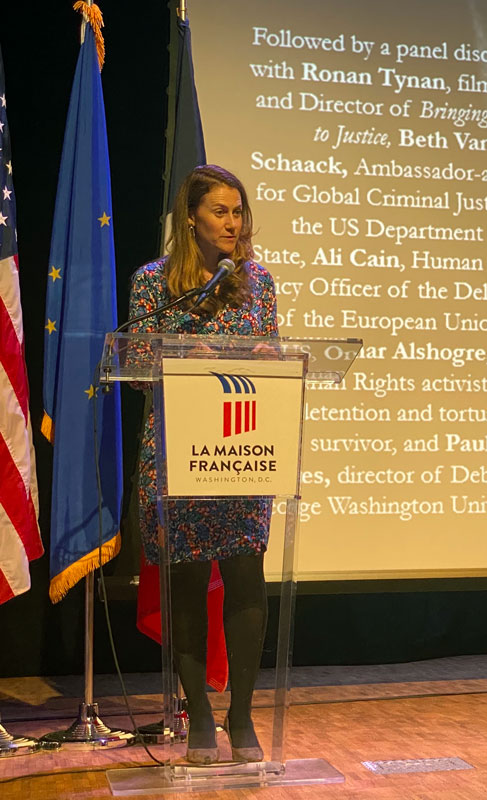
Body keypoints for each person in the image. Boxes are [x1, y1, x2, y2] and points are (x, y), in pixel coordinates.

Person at [128, 164, 278, 764]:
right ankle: (199, 719)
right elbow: (137, 364)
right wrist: (187, 353)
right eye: (221, 211)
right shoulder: (153, 283)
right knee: (185, 584)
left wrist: (264, 356)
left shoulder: (258, 282)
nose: (233, 223)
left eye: (239, 212)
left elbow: (273, 353)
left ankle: (241, 716)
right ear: (190, 216)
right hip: (175, 454)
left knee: (245, 578)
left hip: (240, 454)